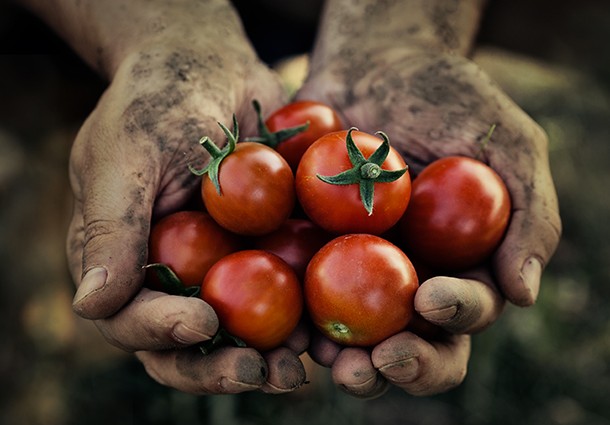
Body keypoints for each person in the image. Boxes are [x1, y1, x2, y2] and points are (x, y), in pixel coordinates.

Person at [15, 0, 561, 398]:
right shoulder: (310, 177)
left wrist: (399, 34)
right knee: (84, 143)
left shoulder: (333, 179)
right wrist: (163, 41)